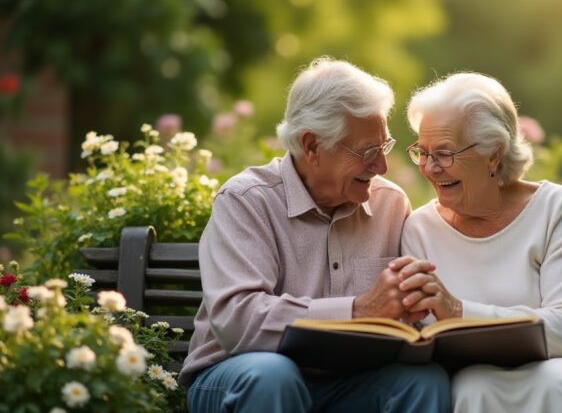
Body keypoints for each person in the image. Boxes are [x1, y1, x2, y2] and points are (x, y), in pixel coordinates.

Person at [179, 57, 450, 412]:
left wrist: (415, 311)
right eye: (368, 152)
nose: (382, 167)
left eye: (383, 148)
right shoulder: (246, 201)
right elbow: (239, 321)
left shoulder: (391, 204)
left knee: (424, 382)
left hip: (346, 382)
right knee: (273, 375)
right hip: (238, 376)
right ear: (311, 145)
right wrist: (358, 311)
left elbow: (405, 319)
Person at [398, 72, 562, 412]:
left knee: (551, 382)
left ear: (494, 154)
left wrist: (459, 312)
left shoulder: (555, 208)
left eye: (444, 154)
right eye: (422, 152)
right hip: (478, 375)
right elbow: (427, 337)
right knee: (472, 387)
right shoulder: (420, 228)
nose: (430, 168)